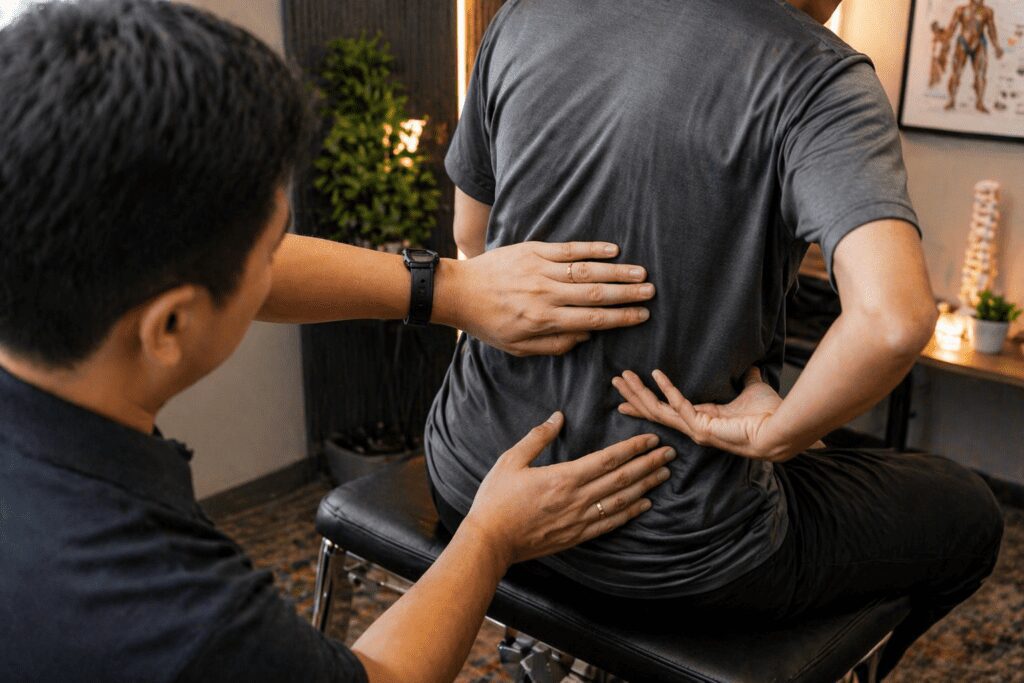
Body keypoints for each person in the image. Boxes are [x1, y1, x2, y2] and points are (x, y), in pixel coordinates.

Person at [0, 2, 677, 682]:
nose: (278, 260)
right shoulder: (178, 621)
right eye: (270, 249)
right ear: (170, 326)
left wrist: (450, 289)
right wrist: (491, 535)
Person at [425, 0, 1005, 676]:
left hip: (470, 480)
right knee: (968, 510)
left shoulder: (527, 11)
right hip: (670, 559)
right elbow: (892, 319)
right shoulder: (817, 71)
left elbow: (471, 238)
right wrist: (777, 433)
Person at [941, 0, 1004, 113]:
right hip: (963, 42)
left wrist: (996, 45)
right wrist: (946, 42)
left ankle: (979, 102)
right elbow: (952, 27)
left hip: (979, 43)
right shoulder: (961, 10)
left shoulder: (987, 11)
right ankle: (951, 100)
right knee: (956, 73)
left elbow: (991, 29)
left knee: (980, 75)